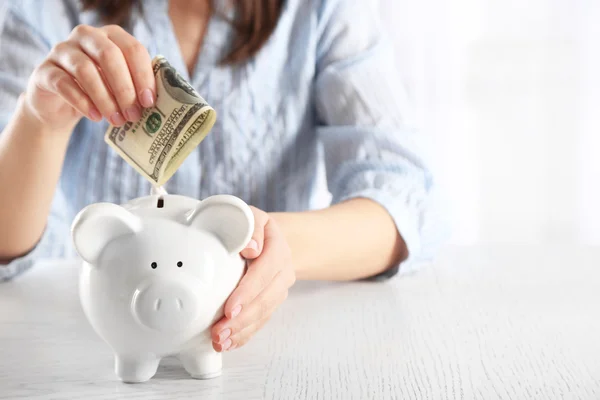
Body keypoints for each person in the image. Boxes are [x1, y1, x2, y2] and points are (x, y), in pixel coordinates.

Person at [0, 0, 443, 352]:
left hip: (274, 346)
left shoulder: (322, 9)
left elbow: (402, 203)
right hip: (84, 340)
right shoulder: (47, 9)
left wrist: (278, 243)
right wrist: (40, 121)